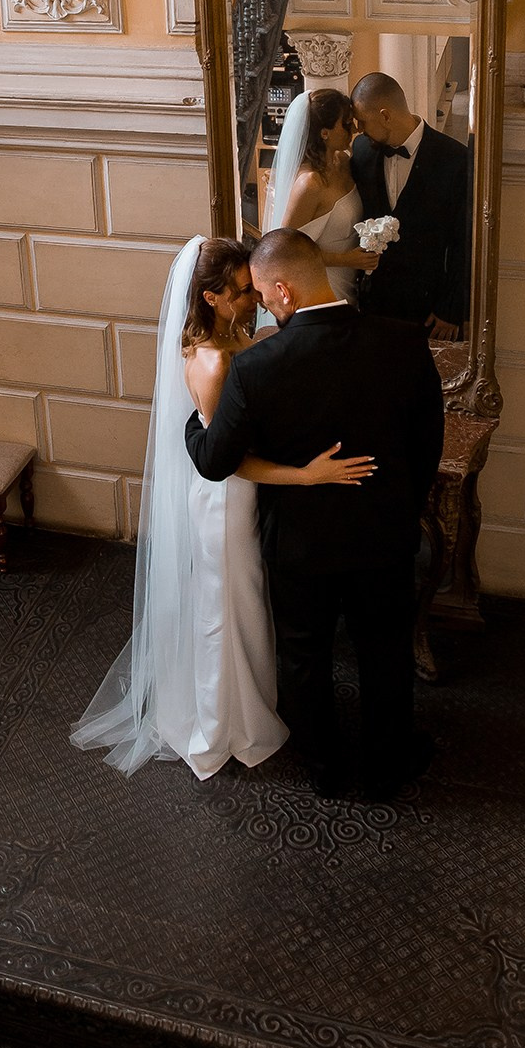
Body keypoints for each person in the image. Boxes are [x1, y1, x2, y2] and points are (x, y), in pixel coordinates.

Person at [71, 236, 375, 779]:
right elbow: (229, 462)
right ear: (210, 298)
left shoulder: (237, 337)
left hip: (247, 495)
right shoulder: (211, 362)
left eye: (251, 288)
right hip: (227, 501)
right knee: (227, 608)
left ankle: (252, 703)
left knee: (248, 604)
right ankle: (223, 724)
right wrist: (307, 476)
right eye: (239, 291)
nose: (253, 299)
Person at [185, 229, 444, 798]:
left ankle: (324, 767)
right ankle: (388, 764)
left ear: (283, 290)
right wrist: (398, 505)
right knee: (386, 652)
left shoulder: (257, 367)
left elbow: (214, 461)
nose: (262, 305)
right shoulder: (404, 342)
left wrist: (194, 424)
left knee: (305, 654)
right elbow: (428, 445)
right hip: (384, 534)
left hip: (302, 543)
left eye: (262, 294)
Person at [350, 72, 469, 341]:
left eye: (362, 121)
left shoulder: (455, 160)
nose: (358, 129)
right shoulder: (361, 150)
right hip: (373, 306)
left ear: (385, 116)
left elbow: (465, 241)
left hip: (429, 311)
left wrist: (451, 308)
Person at [264, 89, 379, 304]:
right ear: (324, 133)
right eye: (346, 124)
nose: (355, 129)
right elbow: (287, 250)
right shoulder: (309, 184)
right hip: (324, 285)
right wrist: (346, 260)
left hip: (353, 280)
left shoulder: (343, 161)